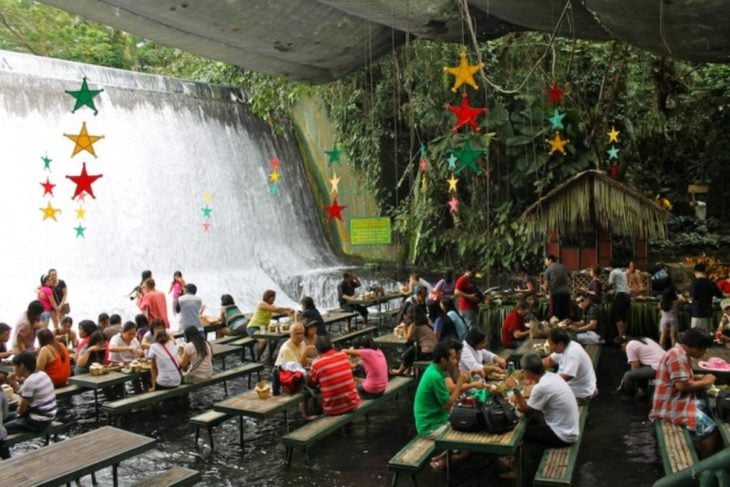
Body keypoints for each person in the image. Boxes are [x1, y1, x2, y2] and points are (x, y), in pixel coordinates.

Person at [503, 354, 580, 482]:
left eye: (523, 370)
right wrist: (524, 397)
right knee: (531, 424)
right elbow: (536, 401)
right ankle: (514, 462)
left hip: (563, 434)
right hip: (568, 427)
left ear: (527, 372)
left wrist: (515, 389)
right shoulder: (552, 377)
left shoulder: (542, 387)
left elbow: (526, 410)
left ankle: (519, 472)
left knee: (520, 434)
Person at [650, 328, 720, 458]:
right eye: (704, 349)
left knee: (704, 405)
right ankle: (706, 462)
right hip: (670, 406)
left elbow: (682, 378)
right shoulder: (678, 356)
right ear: (696, 347)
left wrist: (699, 378)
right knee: (711, 429)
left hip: (673, 399)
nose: (704, 353)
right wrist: (706, 381)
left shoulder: (679, 352)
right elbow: (682, 385)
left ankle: (698, 443)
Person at [413, 339, 470, 471]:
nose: (456, 361)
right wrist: (460, 383)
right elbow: (448, 405)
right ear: (443, 360)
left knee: (466, 423)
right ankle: (443, 464)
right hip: (429, 426)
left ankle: (444, 455)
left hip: (438, 419)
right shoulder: (436, 376)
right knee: (467, 444)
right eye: (454, 358)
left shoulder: (436, 369)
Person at [4, 351, 56, 434]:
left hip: (38, 421)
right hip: (48, 416)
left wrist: (18, 409)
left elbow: (21, 410)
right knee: (4, 417)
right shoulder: (42, 374)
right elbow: (25, 393)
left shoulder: (30, 381)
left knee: (3, 429)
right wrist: (13, 382)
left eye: (15, 366)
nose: (14, 370)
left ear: (22, 366)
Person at [390, 286, 437, 376]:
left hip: (428, 353)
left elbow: (408, 338)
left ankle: (401, 371)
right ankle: (408, 370)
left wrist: (404, 326)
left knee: (409, 354)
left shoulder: (414, 325)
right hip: (435, 349)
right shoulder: (427, 320)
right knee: (413, 350)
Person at [309, 336, 361, 415]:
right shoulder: (343, 356)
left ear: (317, 350)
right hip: (353, 403)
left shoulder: (316, 363)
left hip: (333, 409)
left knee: (316, 399)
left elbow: (312, 384)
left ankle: (316, 419)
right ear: (332, 345)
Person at [542, 328, 597, 403]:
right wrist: (533, 366)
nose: (550, 347)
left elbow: (567, 376)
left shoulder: (572, 353)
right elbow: (549, 361)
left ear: (560, 343)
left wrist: (545, 381)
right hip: (574, 387)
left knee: (544, 400)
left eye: (551, 344)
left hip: (580, 394)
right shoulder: (565, 346)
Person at [248, 290, 295, 360]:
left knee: (274, 339)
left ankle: (269, 357)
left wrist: (290, 313)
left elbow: (280, 310)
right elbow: (275, 309)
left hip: (263, 328)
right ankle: (257, 358)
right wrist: (288, 308)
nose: (274, 299)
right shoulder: (262, 304)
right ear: (268, 297)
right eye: (273, 298)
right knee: (263, 341)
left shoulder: (270, 306)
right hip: (253, 327)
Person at [689, 263, 723, 332]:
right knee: (708, 335)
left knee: (696, 335)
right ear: (705, 271)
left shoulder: (694, 283)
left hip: (697, 312)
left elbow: (692, 297)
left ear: (695, 272)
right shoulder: (711, 283)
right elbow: (719, 295)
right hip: (708, 313)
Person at [607, 260, 631, 341]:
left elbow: (610, 284)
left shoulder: (613, 272)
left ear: (611, 267)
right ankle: (624, 335)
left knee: (618, 316)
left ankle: (621, 336)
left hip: (620, 295)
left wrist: (605, 290)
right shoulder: (622, 272)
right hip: (627, 295)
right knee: (624, 316)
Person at [543, 255, 571, 320]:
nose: (545, 263)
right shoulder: (564, 267)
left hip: (555, 294)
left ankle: (557, 328)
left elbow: (545, 286)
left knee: (556, 314)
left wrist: (544, 288)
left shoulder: (548, 270)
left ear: (550, 260)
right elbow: (570, 278)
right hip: (566, 293)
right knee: (565, 313)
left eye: (545, 261)